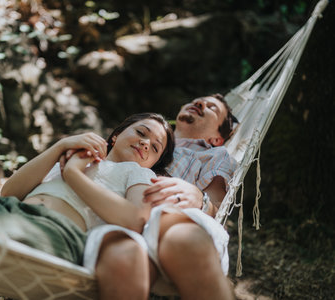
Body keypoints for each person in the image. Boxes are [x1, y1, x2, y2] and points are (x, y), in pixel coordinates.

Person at [0, 113, 175, 267]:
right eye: (141, 132)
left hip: (56, 234)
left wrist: (73, 176)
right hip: (12, 212)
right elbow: (9, 192)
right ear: (116, 135)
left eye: (155, 147)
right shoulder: (76, 154)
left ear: (153, 162)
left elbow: (135, 219)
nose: (145, 143)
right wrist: (61, 146)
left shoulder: (139, 173)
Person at [92, 94, 239, 299]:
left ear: (217, 138)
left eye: (212, 108)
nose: (199, 103)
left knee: (181, 241)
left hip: (166, 220)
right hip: (118, 207)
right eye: (196, 100)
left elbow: (217, 208)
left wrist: (200, 198)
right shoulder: (145, 134)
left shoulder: (216, 155)